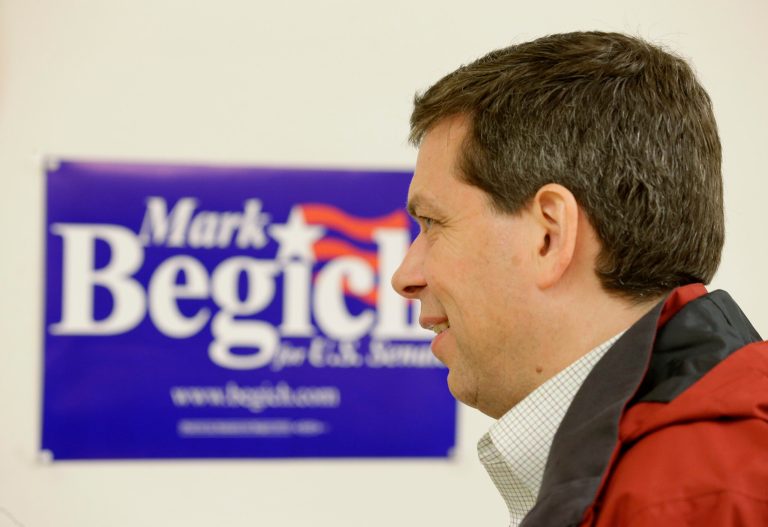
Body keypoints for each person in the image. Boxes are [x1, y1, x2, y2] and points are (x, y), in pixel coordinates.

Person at [392, 31, 768, 526]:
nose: (405, 276)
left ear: (549, 235)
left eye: (433, 224)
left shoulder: (689, 501)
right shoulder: (695, 475)